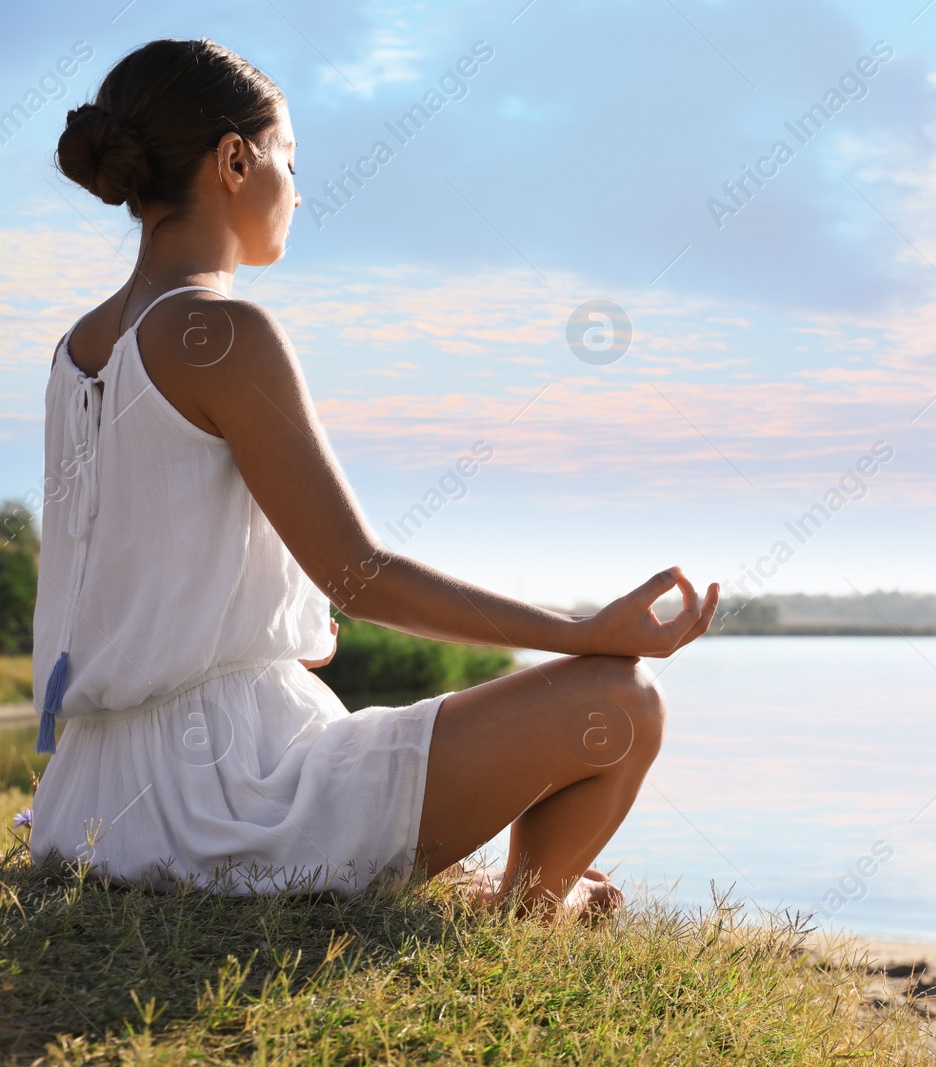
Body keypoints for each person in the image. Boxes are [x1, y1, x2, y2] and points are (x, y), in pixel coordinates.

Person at [30, 38, 718, 917]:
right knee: (625, 702)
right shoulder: (225, 330)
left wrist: (265, 622)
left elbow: (119, 569)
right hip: (219, 798)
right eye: (289, 158)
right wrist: (582, 630)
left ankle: (504, 894)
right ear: (234, 160)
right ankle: (531, 908)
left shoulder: (76, 350)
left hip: (86, 804)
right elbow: (358, 572)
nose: (299, 188)